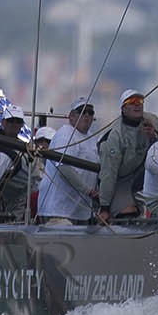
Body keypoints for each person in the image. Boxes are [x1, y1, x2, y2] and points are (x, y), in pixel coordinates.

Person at [37, 96, 100, 225]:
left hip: (80, 211)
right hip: (58, 210)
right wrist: (88, 191)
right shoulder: (65, 134)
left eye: (90, 113)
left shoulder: (91, 138)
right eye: (82, 112)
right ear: (71, 116)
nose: (87, 115)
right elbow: (63, 167)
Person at [97, 90, 151, 225]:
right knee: (128, 211)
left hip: (144, 181)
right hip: (120, 181)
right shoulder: (115, 136)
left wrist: (154, 137)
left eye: (140, 102)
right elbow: (108, 173)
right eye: (132, 102)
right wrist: (104, 207)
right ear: (123, 109)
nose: (137, 105)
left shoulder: (151, 124)